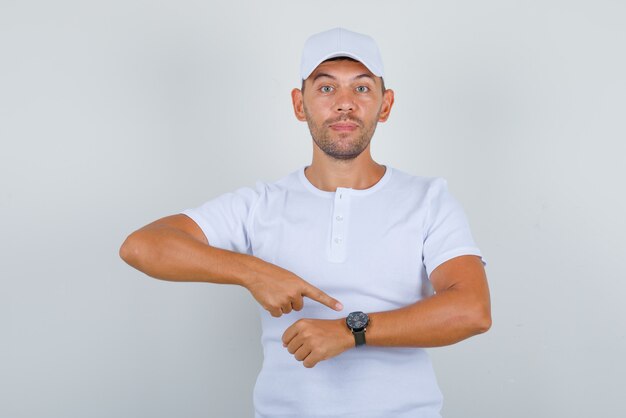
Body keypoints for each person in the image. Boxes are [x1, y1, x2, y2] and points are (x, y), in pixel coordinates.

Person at [120, 27, 491, 418]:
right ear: (300, 105)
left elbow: (472, 309)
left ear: (386, 104)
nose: (345, 104)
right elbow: (143, 246)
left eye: (362, 88)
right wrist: (253, 272)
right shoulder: (260, 205)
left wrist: (352, 331)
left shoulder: (428, 199)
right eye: (326, 88)